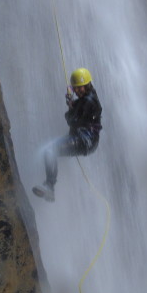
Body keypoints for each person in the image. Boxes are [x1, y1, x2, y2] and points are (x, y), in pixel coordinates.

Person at [32, 67, 102, 202]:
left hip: (85, 140)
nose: (76, 90)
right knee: (50, 149)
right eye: (75, 88)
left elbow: (72, 120)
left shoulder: (88, 100)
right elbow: (77, 109)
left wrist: (70, 106)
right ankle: (49, 186)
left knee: (50, 150)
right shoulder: (88, 98)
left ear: (86, 85)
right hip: (86, 140)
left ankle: (49, 186)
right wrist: (71, 101)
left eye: (79, 87)